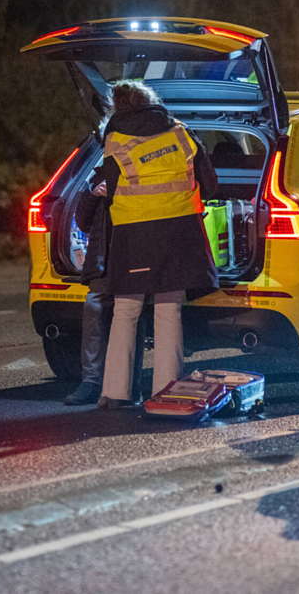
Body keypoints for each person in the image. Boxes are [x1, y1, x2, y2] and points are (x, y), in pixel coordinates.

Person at [97, 81, 218, 407]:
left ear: (117, 106)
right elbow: (210, 185)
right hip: (179, 232)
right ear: (151, 101)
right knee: (168, 310)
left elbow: (110, 189)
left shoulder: (115, 140)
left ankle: (115, 393)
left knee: (126, 311)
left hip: (133, 235)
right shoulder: (181, 133)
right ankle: (167, 392)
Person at [63, 168, 145, 405]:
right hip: (103, 261)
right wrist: (93, 194)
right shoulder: (101, 175)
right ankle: (91, 382)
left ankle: (132, 385)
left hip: (133, 259)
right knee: (94, 311)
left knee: (131, 317)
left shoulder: (144, 170)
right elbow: (82, 222)